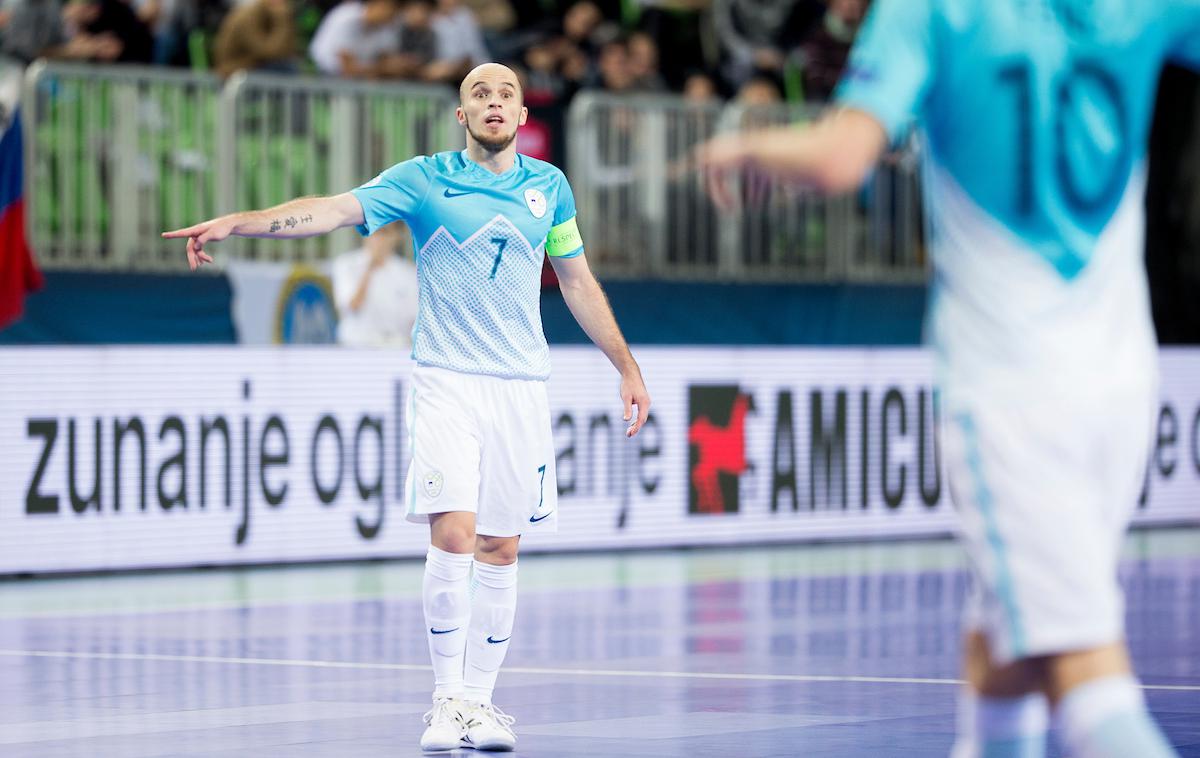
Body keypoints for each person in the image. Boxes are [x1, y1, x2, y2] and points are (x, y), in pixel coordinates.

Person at [696, 1, 1199, 757]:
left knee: (1090, 684)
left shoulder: (933, 11)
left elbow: (841, 157)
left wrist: (744, 150)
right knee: (1006, 638)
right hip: (1122, 382)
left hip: (1011, 391)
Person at [163, 62, 651, 753]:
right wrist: (243, 224)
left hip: (519, 387)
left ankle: (481, 705)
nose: (492, 102)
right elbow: (331, 210)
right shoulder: (423, 179)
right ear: (462, 115)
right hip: (446, 379)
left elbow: (575, 280)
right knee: (454, 532)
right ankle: (446, 701)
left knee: (501, 546)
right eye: (479, 93)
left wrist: (626, 367)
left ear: (519, 115)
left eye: (505, 94)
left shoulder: (550, 189)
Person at [331, 220, 419, 348]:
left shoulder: (408, 272)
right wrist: (370, 268)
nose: (378, 238)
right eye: (374, 232)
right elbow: (352, 306)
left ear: (397, 236)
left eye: (385, 232)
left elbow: (413, 319)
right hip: (354, 347)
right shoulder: (346, 264)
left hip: (395, 349)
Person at [307, 0, 399, 77]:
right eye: (388, 9)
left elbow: (387, 60)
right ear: (375, 4)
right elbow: (348, 69)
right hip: (320, 75)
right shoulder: (349, 16)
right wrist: (382, 69)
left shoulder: (384, 26)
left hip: (357, 80)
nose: (391, 15)